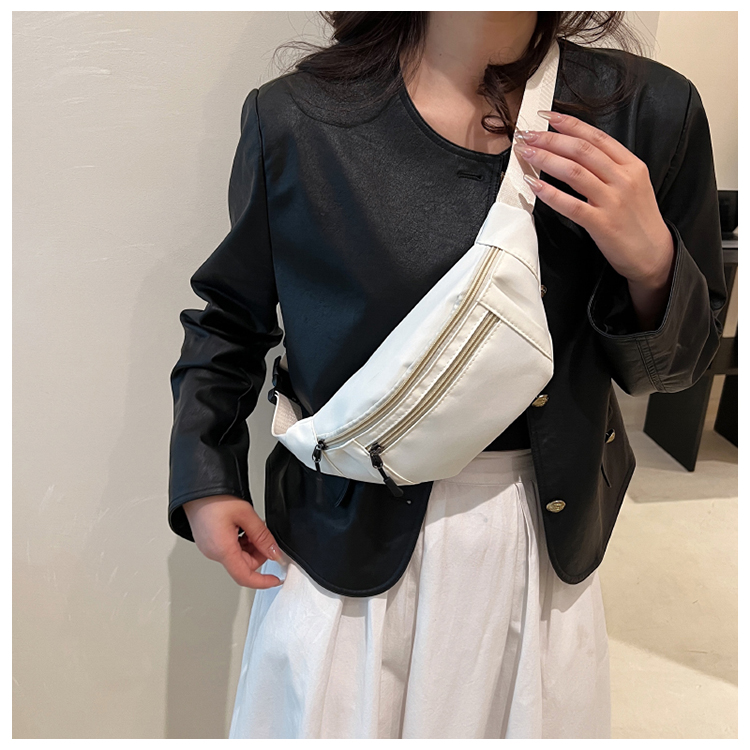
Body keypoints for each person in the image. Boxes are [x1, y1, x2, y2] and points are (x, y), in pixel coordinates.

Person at [167, 11, 727, 739]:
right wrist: (205, 478)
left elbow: (676, 370)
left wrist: (652, 262)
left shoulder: (649, 111)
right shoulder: (299, 118)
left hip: (538, 538)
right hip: (343, 529)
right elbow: (231, 317)